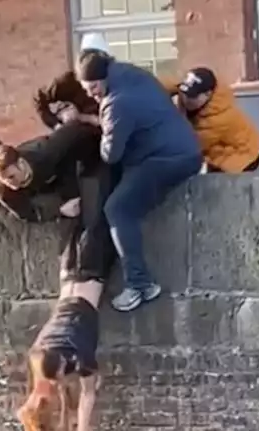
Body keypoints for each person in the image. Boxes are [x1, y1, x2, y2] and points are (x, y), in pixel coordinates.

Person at [77, 50, 203, 313]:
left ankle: (140, 285)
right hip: (185, 148)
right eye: (86, 89)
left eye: (93, 88)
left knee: (118, 208)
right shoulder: (132, 73)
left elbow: (111, 155)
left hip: (165, 159)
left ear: (101, 79)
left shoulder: (116, 103)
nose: (91, 95)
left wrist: (98, 127)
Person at [0, 121, 100, 242]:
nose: (10, 184)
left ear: (21, 164)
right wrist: (59, 210)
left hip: (72, 161)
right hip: (48, 184)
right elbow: (28, 213)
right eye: (4, 179)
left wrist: (99, 132)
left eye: (11, 177)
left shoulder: (46, 152)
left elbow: (74, 130)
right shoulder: (4, 189)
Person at [165, 67, 259, 173]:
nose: (185, 99)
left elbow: (191, 145)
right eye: (184, 93)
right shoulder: (193, 89)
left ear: (207, 94)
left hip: (243, 153)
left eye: (192, 96)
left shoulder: (218, 118)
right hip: (219, 146)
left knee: (214, 179)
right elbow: (169, 84)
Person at [33, 33, 110, 132]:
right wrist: (56, 124)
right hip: (70, 136)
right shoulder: (69, 81)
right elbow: (40, 99)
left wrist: (82, 117)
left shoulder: (113, 84)